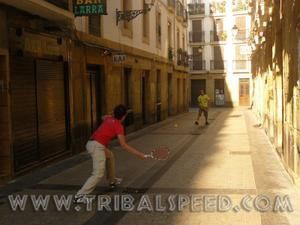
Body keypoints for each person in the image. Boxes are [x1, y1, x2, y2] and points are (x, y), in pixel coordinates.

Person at [74, 104, 146, 203]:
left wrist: (113, 114)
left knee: (110, 155)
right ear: (124, 116)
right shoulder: (118, 126)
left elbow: (103, 117)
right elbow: (123, 145)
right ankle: (80, 196)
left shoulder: (109, 118)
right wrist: (139, 154)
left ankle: (112, 181)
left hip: (93, 143)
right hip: (96, 146)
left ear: (114, 113)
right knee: (98, 174)